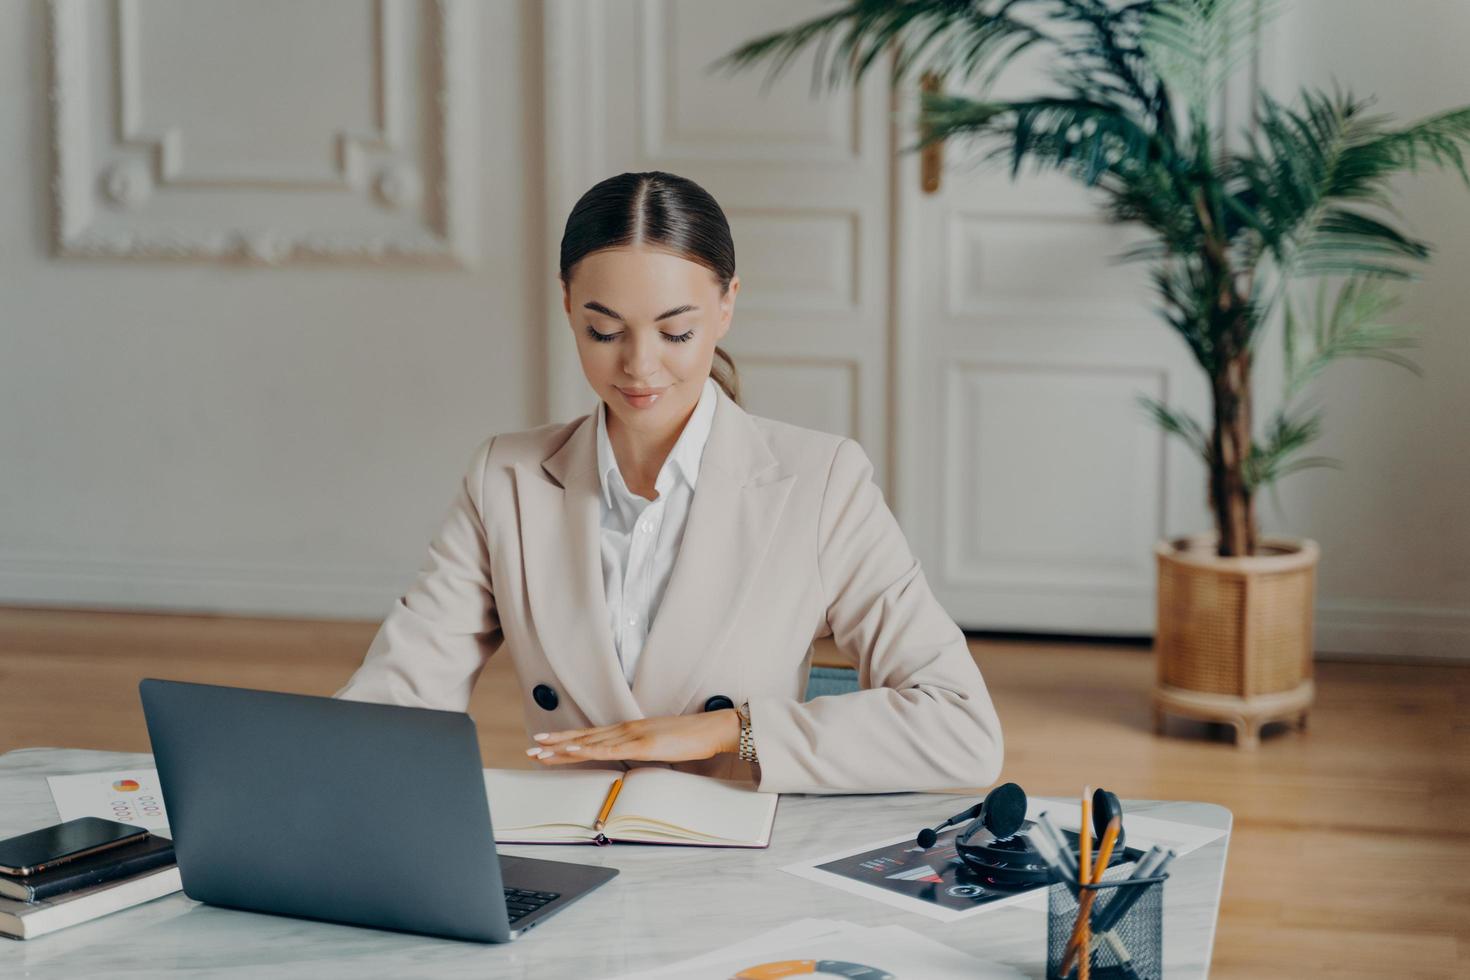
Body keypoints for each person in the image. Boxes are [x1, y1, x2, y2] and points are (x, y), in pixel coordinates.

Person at [334, 171, 1003, 794]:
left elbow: (961, 727)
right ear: (567, 306)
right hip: (569, 849)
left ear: (726, 306)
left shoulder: (821, 482)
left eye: (676, 332)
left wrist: (729, 729)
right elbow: (400, 697)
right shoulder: (503, 479)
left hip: (736, 866)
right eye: (604, 331)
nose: (639, 366)